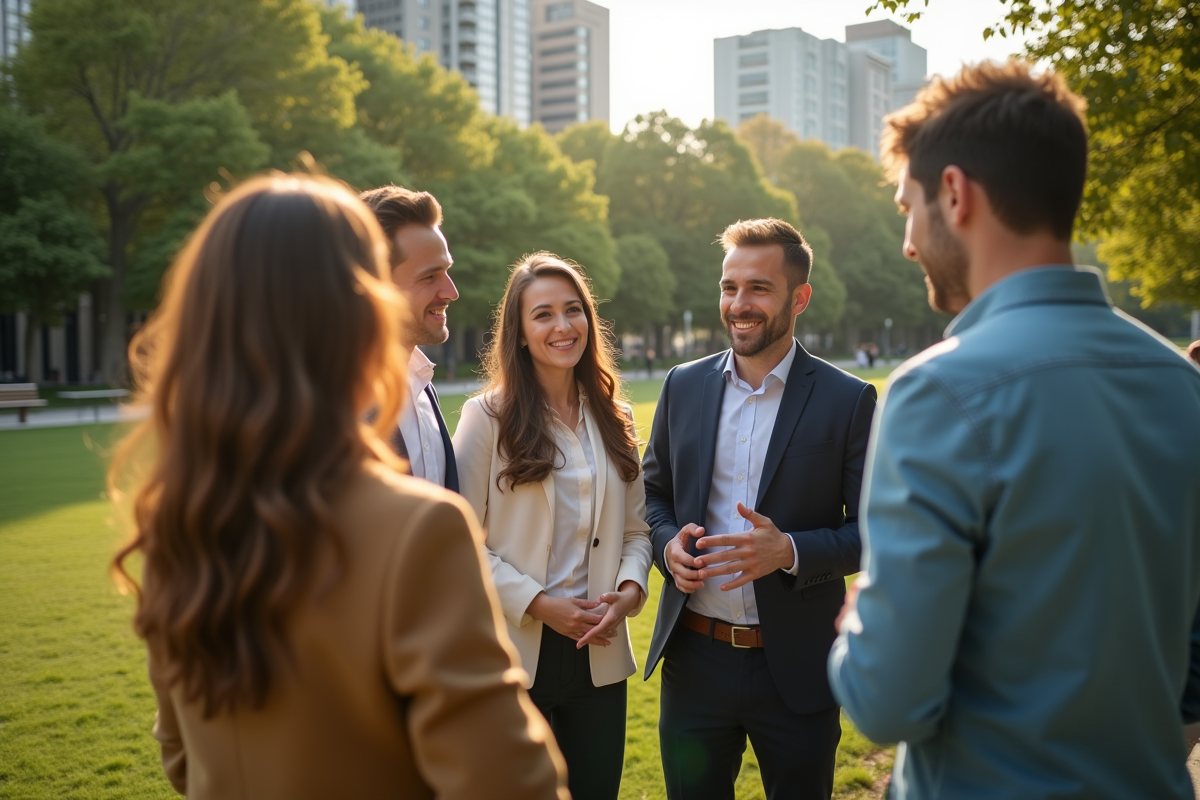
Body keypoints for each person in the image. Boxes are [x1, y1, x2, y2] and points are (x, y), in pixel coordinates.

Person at [109, 175, 568, 800]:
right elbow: (510, 783)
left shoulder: (178, 525)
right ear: (357, 303)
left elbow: (180, 751)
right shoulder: (418, 531)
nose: (450, 291)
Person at [828, 60, 1200, 800]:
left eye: (909, 205)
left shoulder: (938, 392)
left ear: (956, 195)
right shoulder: (1184, 388)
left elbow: (886, 700)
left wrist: (859, 617)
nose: (907, 241)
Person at [642, 218, 877, 800]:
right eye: (729, 287)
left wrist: (790, 551)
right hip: (693, 662)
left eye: (758, 289)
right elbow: (651, 496)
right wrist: (666, 543)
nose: (738, 305)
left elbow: (874, 533)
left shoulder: (849, 400)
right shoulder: (682, 385)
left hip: (794, 667)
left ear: (800, 298)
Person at [453, 252, 653, 800]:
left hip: (599, 657)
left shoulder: (618, 416)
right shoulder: (485, 418)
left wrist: (630, 592)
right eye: (542, 315)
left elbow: (637, 531)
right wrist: (541, 604)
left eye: (573, 310)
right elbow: (457, 545)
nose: (563, 326)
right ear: (518, 333)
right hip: (515, 659)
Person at [359, 185, 460, 491]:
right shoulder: (329, 406)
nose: (451, 292)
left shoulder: (423, 385)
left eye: (447, 271)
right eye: (430, 276)